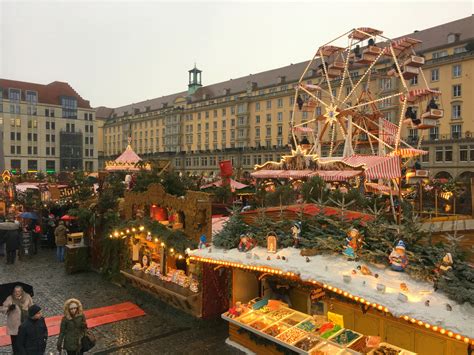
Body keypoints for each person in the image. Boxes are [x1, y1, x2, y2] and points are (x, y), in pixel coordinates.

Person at [0, 286, 34, 354]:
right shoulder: (10, 298)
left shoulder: (27, 297)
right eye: (15, 291)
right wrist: (9, 308)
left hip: (25, 323)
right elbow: (2, 308)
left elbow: (32, 307)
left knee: (25, 340)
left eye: (18, 291)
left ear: (22, 291)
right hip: (14, 324)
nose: (16, 293)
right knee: (15, 341)